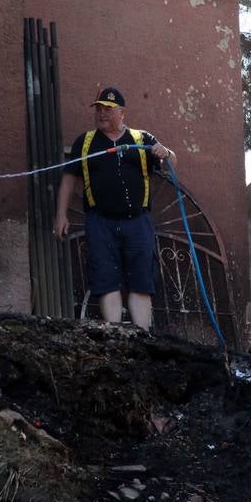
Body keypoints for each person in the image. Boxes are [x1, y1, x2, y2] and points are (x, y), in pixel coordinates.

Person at [52, 87, 176, 330]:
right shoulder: (85, 142)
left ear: (122, 112)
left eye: (108, 109)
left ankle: (142, 338)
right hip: (100, 222)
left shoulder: (142, 139)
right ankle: (115, 339)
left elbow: (171, 162)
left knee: (141, 281)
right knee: (105, 280)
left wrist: (167, 152)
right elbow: (68, 178)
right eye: (98, 108)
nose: (102, 113)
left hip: (137, 221)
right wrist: (60, 214)